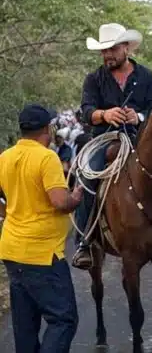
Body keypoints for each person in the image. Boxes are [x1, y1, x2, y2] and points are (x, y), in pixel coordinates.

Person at [73, 23, 152, 269]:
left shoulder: (146, 77)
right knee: (86, 179)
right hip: (104, 139)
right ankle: (84, 242)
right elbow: (85, 111)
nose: (107, 55)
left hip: (140, 140)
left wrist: (138, 117)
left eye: (112, 49)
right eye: (103, 51)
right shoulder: (94, 79)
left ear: (126, 48)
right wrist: (104, 114)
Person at [0, 104, 82, 352]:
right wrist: (76, 197)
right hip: (43, 255)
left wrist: (9, 213)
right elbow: (59, 202)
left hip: (12, 251)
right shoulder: (47, 158)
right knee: (63, 319)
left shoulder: (5, 157)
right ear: (47, 128)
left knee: (25, 326)